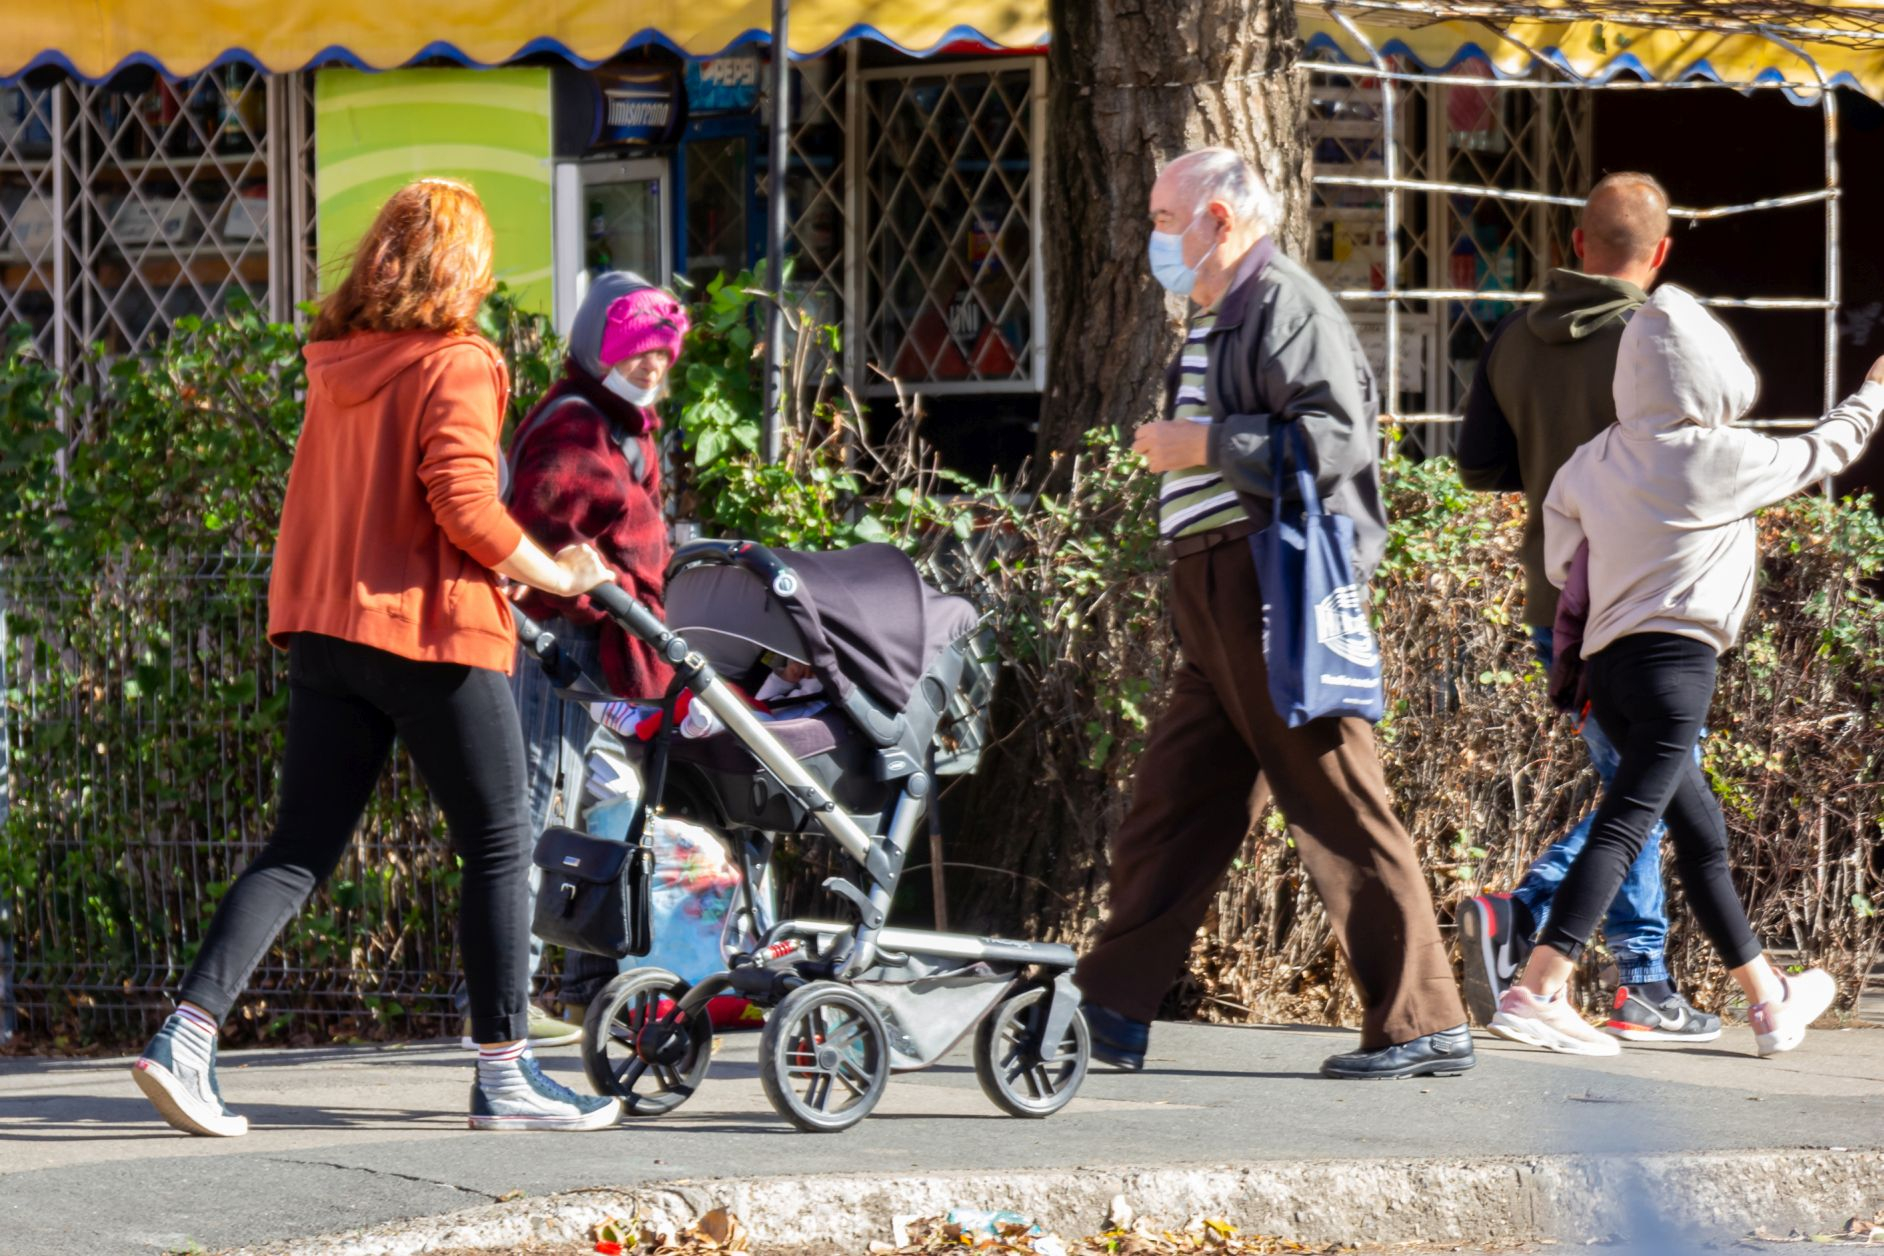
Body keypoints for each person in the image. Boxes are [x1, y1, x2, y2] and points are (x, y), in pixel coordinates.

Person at [130, 178, 622, 1136]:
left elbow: (401, 508)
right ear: (465, 269)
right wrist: (556, 575)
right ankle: (506, 1074)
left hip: (323, 630)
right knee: (497, 843)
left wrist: (502, 565)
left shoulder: (339, 359)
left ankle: (184, 1039)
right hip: (428, 633)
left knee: (299, 849)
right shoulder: (458, 362)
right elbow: (467, 508)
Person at [1073, 147, 1475, 1081]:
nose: (1155, 241)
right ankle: (1109, 1011)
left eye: (1165, 221)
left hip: (1268, 585)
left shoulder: (1284, 300)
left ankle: (1422, 1022)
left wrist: (1201, 441)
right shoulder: (1226, 309)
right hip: (1219, 586)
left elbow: (1337, 437)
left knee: (1334, 796)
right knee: (1176, 806)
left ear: (1220, 219)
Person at [1490, 284, 1883, 1057]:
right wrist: (1872, 393)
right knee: (1628, 824)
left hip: (1607, 672)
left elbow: (1561, 539)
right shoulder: (1717, 456)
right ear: (1713, 373)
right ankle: (1537, 988)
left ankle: (1769, 1002)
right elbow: (1825, 448)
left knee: (1700, 837)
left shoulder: (1594, 458)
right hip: (1678, 668)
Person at [1455, 172, 1719, 1043]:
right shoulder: (1660, 339)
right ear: (1663, 253)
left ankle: (1627, 970)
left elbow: (1479, 467)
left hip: (1556, 596)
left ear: (1575, 245)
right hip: (1654, 600)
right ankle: (1601, 955)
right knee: (1640, 792)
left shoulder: (1510, 338)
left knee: (1633, 784)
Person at [501, 274, 687, 1029]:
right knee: (535, 806)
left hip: (603, 645)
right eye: (636, 348)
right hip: (564, 641)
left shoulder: (621, 424)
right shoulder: (575, 428)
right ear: (598, 345)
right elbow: (538, 545)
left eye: (662, 352)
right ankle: (505, 999)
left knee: (608, 798)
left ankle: (583, 977)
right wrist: (597, 595)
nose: (651, 365)